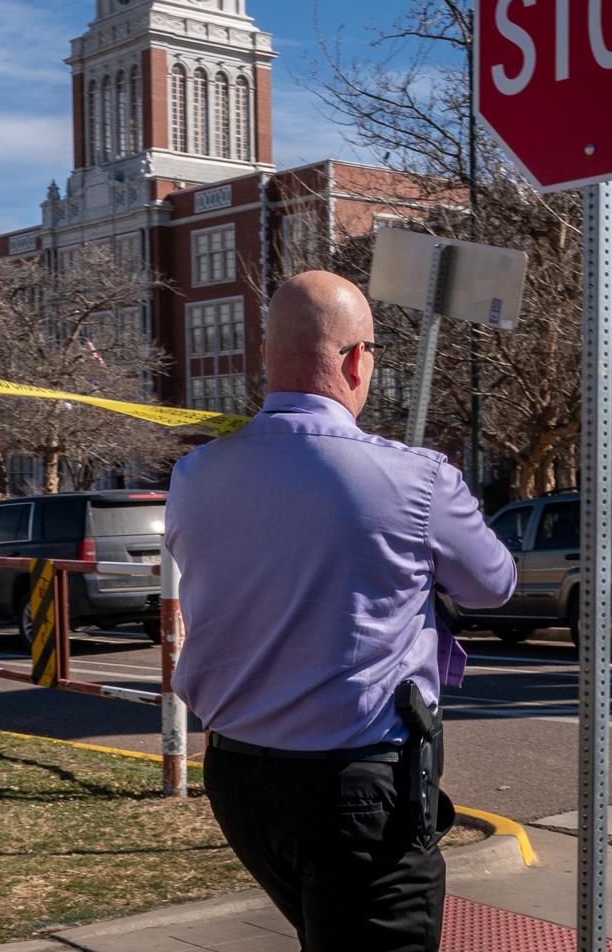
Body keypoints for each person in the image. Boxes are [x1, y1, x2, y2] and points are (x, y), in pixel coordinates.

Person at [166, 270, 517, 952]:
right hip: (357, 789)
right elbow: (491, 585)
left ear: (266, 359)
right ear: (358, 359)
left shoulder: (195, 475)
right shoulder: (416, 477)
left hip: (240, 781)